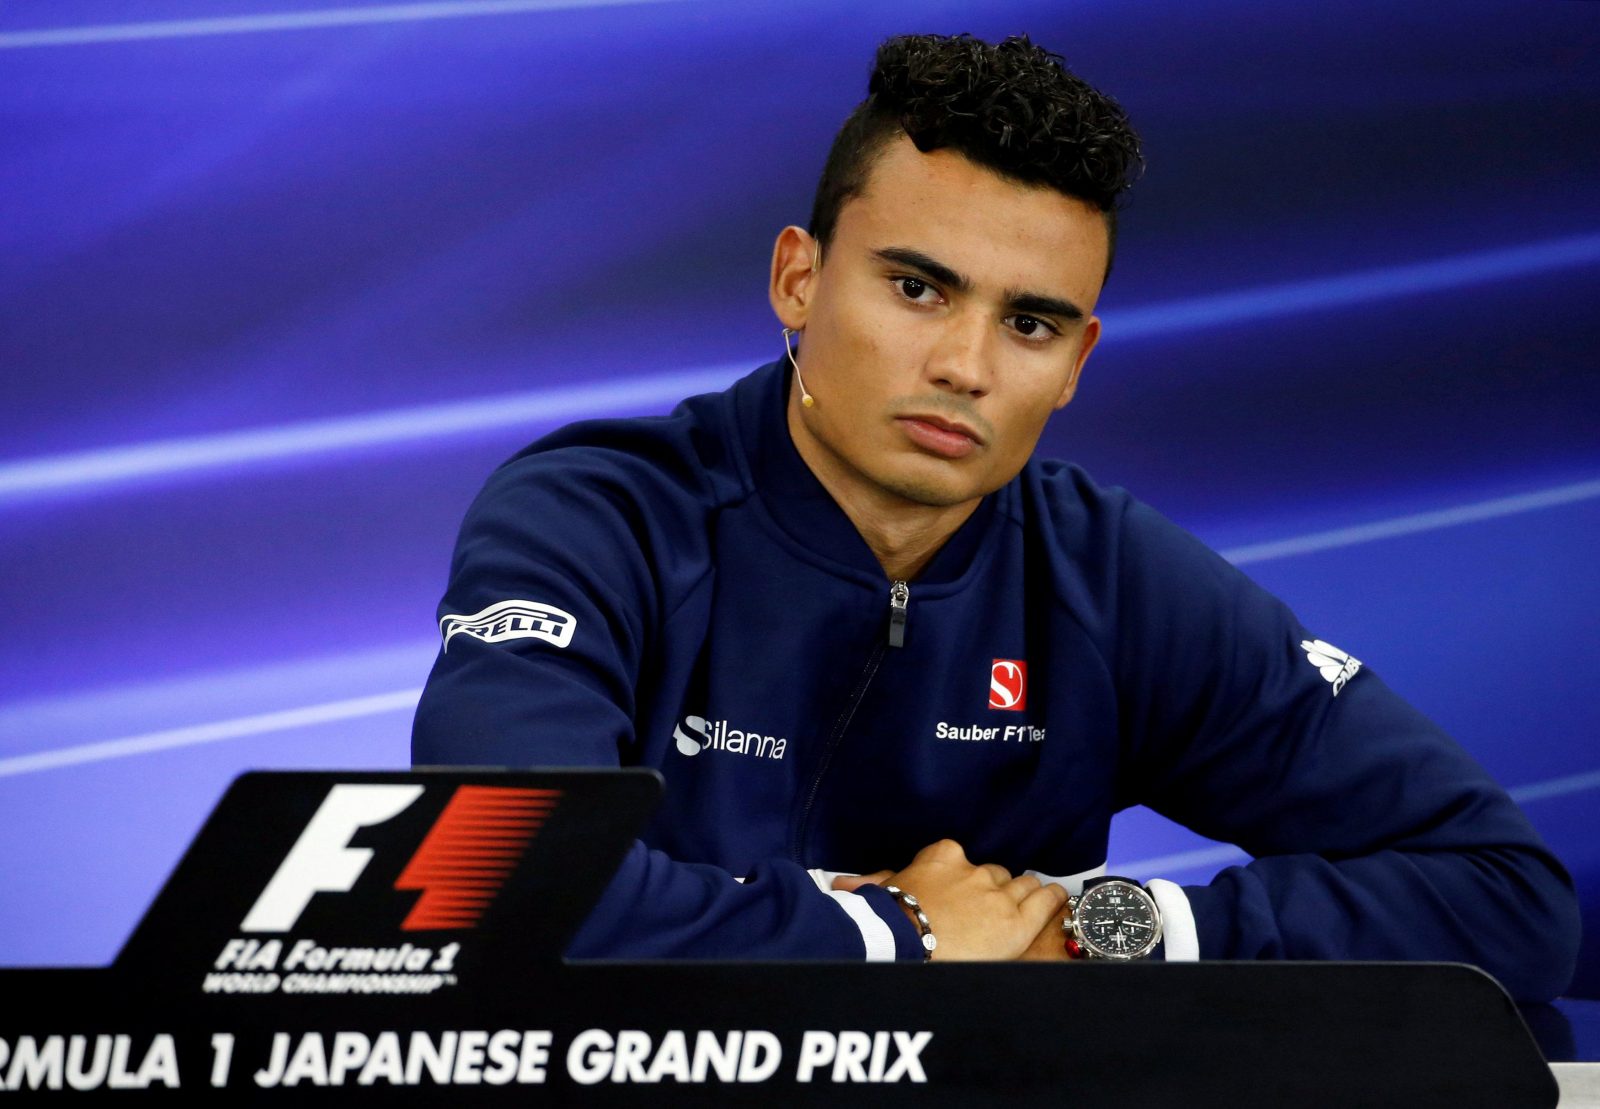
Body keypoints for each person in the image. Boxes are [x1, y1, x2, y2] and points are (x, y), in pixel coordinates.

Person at [412, 33, 1578, 1000]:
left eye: (1029, 324)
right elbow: (493, 876)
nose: (965, 366)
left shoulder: (1106, 575)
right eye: (917, 288)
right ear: (797, 279)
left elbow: (1507, 895)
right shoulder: (598, 515)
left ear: (1076, 363)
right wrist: (899, 933)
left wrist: (1098, 930)